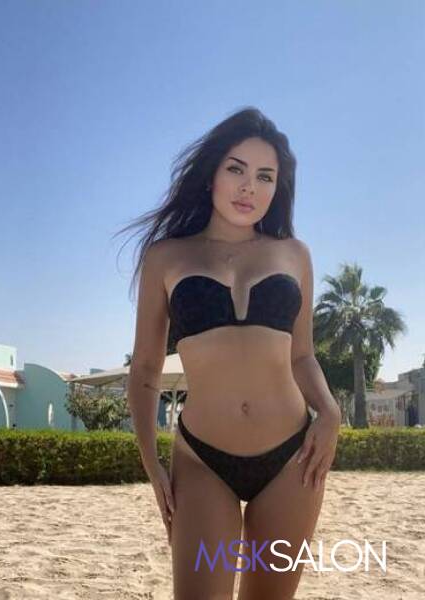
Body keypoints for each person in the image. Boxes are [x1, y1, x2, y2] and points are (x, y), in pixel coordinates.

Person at [119, 107, 341, 600]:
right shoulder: (166, 256)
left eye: (265, 176)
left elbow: (302, 356)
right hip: (202, 461)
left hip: (292, 458)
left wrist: (330, 411)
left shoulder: (294, 254)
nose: (248, 187)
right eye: (236, 169)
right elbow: (146, 368)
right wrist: (152, 464)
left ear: (277, 187)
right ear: (212, 174)